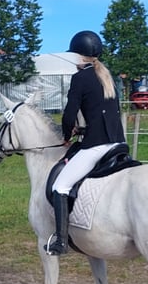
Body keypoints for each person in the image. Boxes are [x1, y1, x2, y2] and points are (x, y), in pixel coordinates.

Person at [45, 30, 126, 256]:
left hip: (97, 145)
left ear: (80, 57)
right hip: (117, 142)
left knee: (60, 186)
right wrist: (84, 128)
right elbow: (102, 114)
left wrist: (66, 135)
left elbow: (69, 114)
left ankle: (61, 242)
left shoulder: (80, 78)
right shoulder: (107, 76)